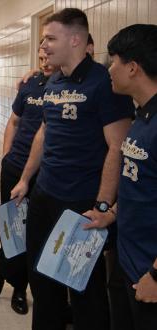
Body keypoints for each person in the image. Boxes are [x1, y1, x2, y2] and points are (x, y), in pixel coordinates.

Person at [10, 8, 134, 330]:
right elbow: (44, 132)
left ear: (76, 39)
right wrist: (25, 178)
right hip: (45, 195)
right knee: (42, 278)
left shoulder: (104, 83)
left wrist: (103, 205)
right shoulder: (53, 80)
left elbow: (117, 146)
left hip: (81, 203)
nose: (44, 45)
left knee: (83, 288)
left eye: (51, 38)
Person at [82, 23, 157, 330]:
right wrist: (110, 214)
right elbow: (140, 184)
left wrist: (155, 276)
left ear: (133, 67)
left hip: (149, 274)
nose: (108, 69)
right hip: (127, 261)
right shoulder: (142, 115)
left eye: (113, 61)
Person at [0, 46, 58, 315]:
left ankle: (1, 265)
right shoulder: (31, 84)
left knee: (37, 233)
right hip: (16, 167)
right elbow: (14, 121)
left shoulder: (65, 88)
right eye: (40, 58)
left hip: (46, 172)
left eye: (48, 57)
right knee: (15, 230)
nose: (44, 63)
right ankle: (18, 285)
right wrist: (6, 157)